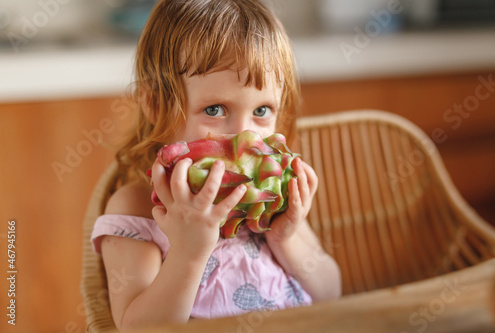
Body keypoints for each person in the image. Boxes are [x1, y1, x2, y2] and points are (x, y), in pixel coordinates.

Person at [91, 0, 341, 330]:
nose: (245, 136)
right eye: (215, 110)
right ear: (155, 104)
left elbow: (331, 294)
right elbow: (139, 328)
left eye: (262, 111)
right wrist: (189, 252)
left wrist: (286, 238)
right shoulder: (137, 208)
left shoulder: (269, 203)